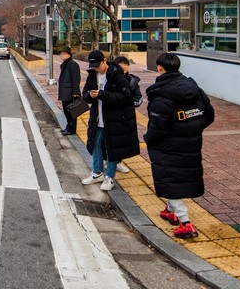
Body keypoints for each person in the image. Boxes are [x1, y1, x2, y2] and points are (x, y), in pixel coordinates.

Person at [144, 52, 214, 239]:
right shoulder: (194, 88)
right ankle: (170, 210)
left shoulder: (162, 94)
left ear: (160, 67)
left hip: (166, 147)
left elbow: (158, 127)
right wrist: (190, 130)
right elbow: (209, 114)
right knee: (177, 178)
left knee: (169, 181)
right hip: (190, 143)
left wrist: (148, 139)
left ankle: (186, 224)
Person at [80, 50, 140, 191]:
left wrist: (103, 95)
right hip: (97, 117)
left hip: (114, 119)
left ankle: (110, 177)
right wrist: (90, 96)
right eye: (93, 65)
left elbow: (125, 97)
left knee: (111, 146)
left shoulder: (117, 75)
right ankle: (97, 172)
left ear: (104, 61)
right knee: (95, 143)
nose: (95, 68)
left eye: (97, 65)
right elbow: (85, 94)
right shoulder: (92, 75)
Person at [57, 46, 81, 136]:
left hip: (70, 92)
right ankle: (68, 127)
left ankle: (71, 129)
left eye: (63, 54)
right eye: (61, 54)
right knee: (66, 110)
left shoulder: (73, 64)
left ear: (68, 54)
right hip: (65, 91)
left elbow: (76, 79)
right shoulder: (65, 64)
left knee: (71, 111)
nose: (61, 55)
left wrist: (76, 92)